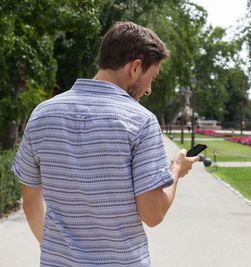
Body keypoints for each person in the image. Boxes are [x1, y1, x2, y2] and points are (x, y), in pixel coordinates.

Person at [11, 22, 199, 266]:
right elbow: (153, 214)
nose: (149, 90)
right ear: (135, 67)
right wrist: (176, 169)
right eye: (151, 78)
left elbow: (30, 200)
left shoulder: (42, 114)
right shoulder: (140, 121)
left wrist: (54, 252)